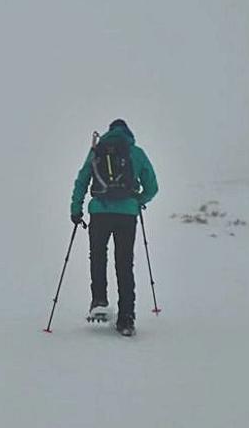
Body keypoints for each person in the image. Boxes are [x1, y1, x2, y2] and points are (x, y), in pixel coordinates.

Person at [70, 119, 158, 336]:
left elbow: (82, 180)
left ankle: (99, 301)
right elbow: (152, 186)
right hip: (126, 215)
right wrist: (138, 200)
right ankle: (126, 318)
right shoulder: (135, 152)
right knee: (124, 263)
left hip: (99, 213)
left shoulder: (97, 151)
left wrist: (76, 209)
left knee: (98, 256)